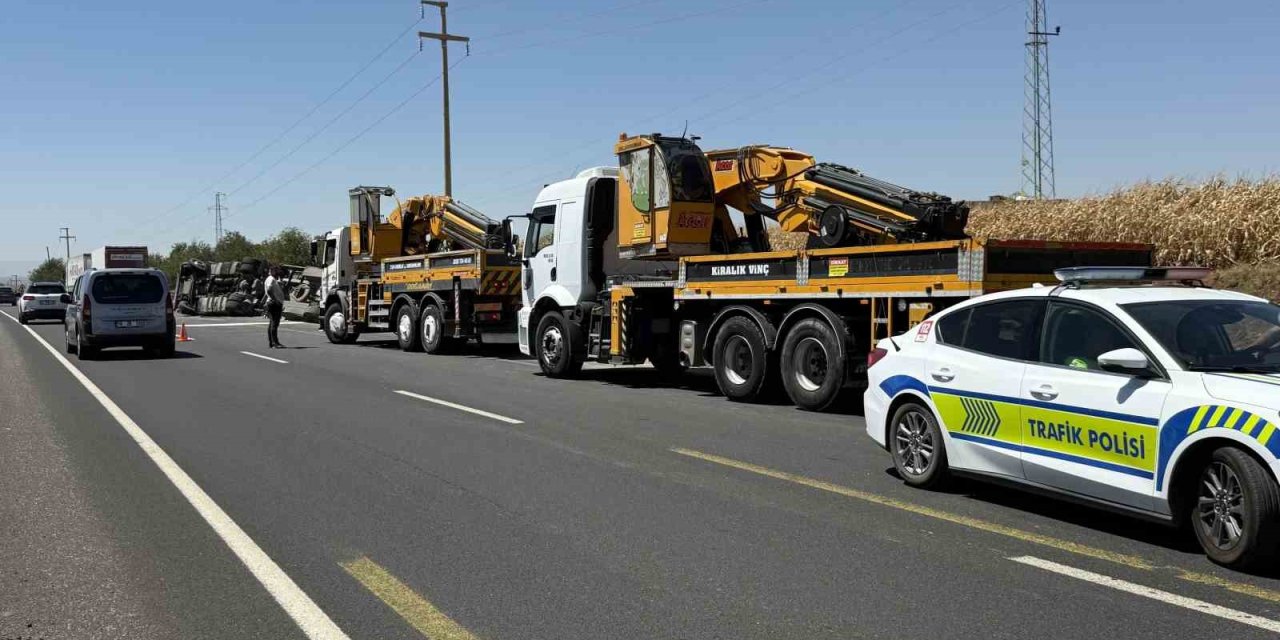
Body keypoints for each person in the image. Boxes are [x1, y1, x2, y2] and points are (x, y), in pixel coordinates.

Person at [263, 266, 286, 349]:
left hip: (274, 302)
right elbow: (269, 290)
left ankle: (273, 342)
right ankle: (274, 343)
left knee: (272, 323)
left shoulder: (272, 279)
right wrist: (275, 299)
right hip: (274, 303)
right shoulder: (271, 279)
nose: (278, 272)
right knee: (274, 324)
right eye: (276, 271)